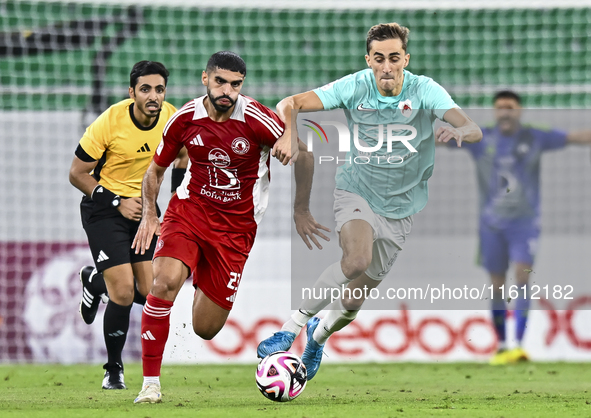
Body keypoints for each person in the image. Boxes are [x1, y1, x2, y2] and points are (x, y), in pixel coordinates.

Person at [257, 22, 483, 380]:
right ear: (369, 60)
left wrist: (458, 130)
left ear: (405, 59)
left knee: (351, 301)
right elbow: (291, 103)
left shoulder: (425, 90)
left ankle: (317, 338)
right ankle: (288, 330)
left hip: (401, 208)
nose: (387, 66)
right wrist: (289, 133)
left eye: (395, 58)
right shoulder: (355, 86)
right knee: (356, 260)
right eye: (379, 59)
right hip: (356, 191)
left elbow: (474, 128)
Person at [131, 51, 286, 404]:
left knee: (205, 328)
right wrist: (150, 215)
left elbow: (298, 150)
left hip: (235, 230)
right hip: (190, 212)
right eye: (220, 81)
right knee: (165, 281)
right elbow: (154, 170)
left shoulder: (258, 119)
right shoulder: (185, 119)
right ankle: (150, 384)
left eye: (235, 84)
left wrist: (302, 203)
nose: (227, 90)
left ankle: (201, 268)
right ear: (206, 78)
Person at [452, 90, 591, 365]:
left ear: (519, 110)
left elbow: (575, 136)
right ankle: (503, 346)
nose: (505, 112)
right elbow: (441, 139)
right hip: (491, 226)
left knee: (522, 275)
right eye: (500, 107)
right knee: (496, 284)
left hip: (524, 225)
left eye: (510, 107)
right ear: (494, 111)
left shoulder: (534, 136)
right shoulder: (481, 138)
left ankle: (519, 344)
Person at [68, 60, 177, 389]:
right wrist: (116, 201)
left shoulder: (171, 118)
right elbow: (76, 174)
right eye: (145, 89)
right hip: (104, 210)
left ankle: (94, 282)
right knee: (125, 292)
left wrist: (171, 204)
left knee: (148, 292)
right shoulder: (110, 122)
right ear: (132, 93)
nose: (153, 96)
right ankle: (113, 368)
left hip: (145, 210)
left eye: (159, 89)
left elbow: (184, 156)